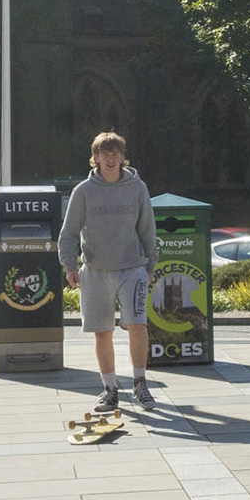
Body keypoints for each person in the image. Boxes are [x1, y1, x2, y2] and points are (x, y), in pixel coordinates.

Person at [58, 131, 158, 412]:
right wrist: (70, 265)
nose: (111, 160)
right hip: (95, 270)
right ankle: (110, 389)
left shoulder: (137, 188)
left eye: (115, 154)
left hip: (133, 269)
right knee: (102, 331)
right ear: (96, 158)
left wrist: (151, 265)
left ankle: (140, 383)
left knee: (138, 325)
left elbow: (147, 228)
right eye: (105, 155)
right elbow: (68, 233)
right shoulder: (83, 191)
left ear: (123, 158)